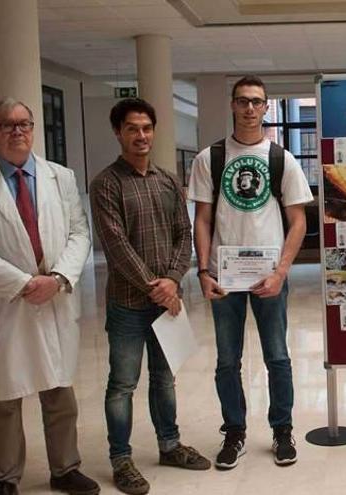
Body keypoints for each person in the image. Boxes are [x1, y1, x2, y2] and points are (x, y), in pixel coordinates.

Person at [0, 98, 97, 495]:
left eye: (24, 124)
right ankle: (4, 477)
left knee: (59, 391)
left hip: (55, 296)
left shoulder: (60, 177)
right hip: (6, 303)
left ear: (33, 129)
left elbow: (79, 232)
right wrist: (23, 284)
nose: (17, 131)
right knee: (4, 397)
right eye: (7, 125)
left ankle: (65, 468)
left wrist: (58, 278)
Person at [189, 75, 313, 469]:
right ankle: (235, 431)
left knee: (277, 357)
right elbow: (202, 219)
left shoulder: (281, 159)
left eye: (256, 102)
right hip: (225, 277)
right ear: (232, 105)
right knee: (228, 360)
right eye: (242, 101)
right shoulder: (210, 159)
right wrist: (204, 270)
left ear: (265, 108)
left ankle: (282, 430)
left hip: (269, 277)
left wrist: (281, 272)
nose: (249, 109)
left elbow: (298, 222)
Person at [90, 98, 210, 495]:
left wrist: (173, 280)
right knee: (122, 384)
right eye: (131, 129)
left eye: (146, 128)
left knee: (165, 379)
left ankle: (170, 445)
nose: (140, 135)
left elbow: (184, 235)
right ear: (118, 133)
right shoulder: (106, 184)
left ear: (153, 131)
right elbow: (116, 244)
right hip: (128, 303)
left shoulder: (168, 181)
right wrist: (155, 286)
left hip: (167, 303)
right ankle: (121, 460)